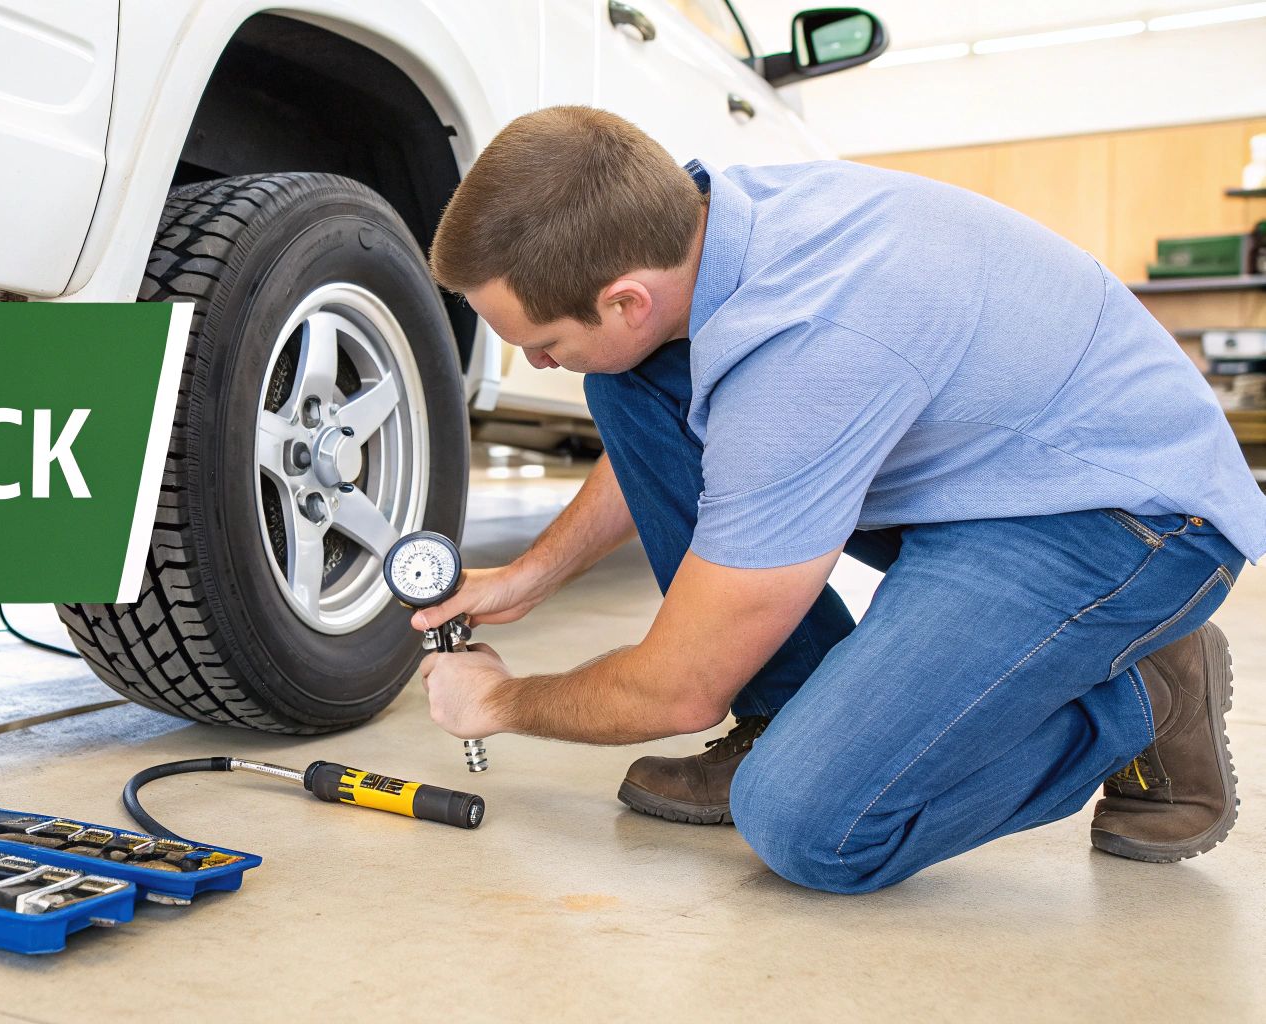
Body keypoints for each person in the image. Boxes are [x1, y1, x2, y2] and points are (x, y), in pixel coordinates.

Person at [415, 106, 1265, 894]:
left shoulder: (809, 351)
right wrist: (529, 576)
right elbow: (700, 428)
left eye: (544, 343)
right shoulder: (711, 222)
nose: (537, 365)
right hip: (987, 465)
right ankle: (783, 714)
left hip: (1123, 521)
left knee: (810, 825)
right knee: (628, 379)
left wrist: (500, 702)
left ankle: (1148, 692)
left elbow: (675, 691)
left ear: (626, 297)